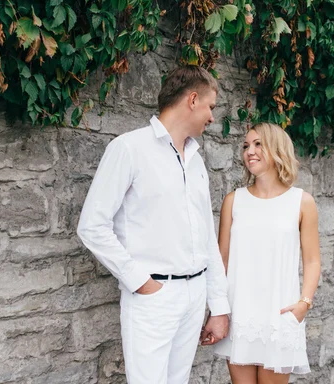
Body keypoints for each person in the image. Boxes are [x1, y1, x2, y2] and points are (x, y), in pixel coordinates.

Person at [77, 65, 230, 384]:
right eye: (211, 107)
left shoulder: (196, 160)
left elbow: (206, 238)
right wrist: (141, 282)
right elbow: (92, 226)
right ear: (192, 99)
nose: (212, 117)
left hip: (195, 294)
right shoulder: (129, 148)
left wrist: (218, 306)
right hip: (153, 296)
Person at [212, 122, 321, 384]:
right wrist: (216, 309)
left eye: (258, 144)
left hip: (280, 315)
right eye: (246, 145)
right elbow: (221, 260)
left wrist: (304, 304)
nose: (249, 151)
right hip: (240, 314)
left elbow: (312, 259)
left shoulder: (302, 201)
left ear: (277, 149)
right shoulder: (233, 201)